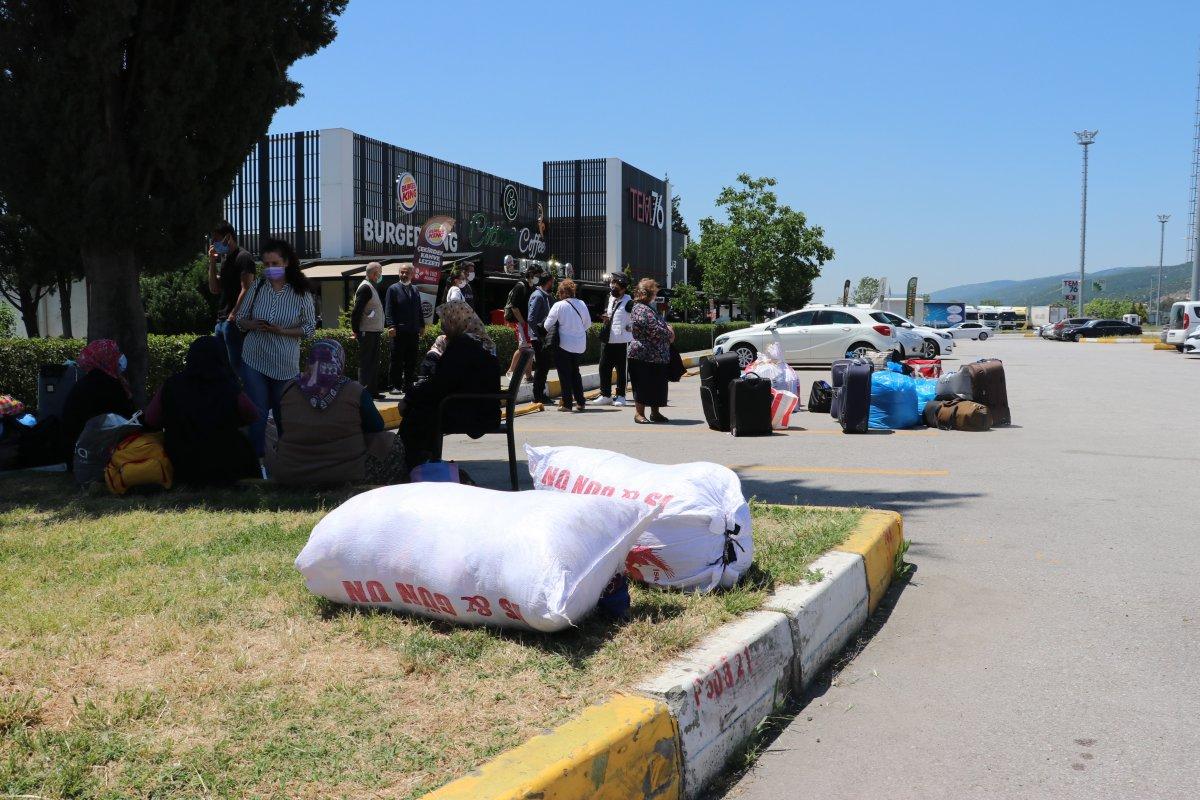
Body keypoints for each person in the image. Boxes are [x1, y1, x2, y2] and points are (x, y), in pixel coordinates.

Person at [264, 339, 405, 485]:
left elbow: (282, 430)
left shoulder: (289, 389)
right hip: (345, 475)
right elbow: (377, 426)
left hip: (292, 474)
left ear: (310, 362)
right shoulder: (355, 391)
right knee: (392, 441)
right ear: (339, 361)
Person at [236, 238, 317, 461]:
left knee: (284, 415)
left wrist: (281, 331)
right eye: (266, 264)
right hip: (255, 358)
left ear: (287, 262)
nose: (270, 269)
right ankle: (256, 462)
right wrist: (255, 324)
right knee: (259, 412)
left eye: (275, 263)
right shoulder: (257, 286)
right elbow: (240, 320)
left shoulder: (301, 292)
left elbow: (309, 328)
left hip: (285, 363)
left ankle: (288, 462)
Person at [398, 301, 501, 470]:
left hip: (473, 414)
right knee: (422, 410)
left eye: (445, 320)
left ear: (457, 321)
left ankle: (412, 468)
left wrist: (409, 399)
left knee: (416, 416)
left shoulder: (463, 345)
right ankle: (425, 465)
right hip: (481, 409)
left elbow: (440, 384)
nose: (442, 326)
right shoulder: (479, 342)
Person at [143, 336, 259, 485]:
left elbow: (151, 419)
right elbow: (252, 414)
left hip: (179, 465)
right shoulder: (229, 387)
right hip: (226, 466)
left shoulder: (171, 386)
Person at [60, 339, 136, 464]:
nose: (119, 357)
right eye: (116, 353)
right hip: (91, 454)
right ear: (107, 358)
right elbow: (125, 418)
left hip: (76, 451)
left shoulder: (89, 381)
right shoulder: (108, 385)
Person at [207, 220, 257, 377]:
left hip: (234, 322)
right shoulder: (225, 260)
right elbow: (214, 288)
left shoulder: (244, 257)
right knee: (223, 368)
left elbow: (247, 288)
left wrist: (233, 315)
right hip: (221, 322)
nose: (213, 243)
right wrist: (212, 262)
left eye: (216, 239)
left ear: (227, 237)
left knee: (237, 367)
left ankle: (246, 399)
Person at [628, 278, 674, 424]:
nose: (655, 295)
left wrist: (667, 330)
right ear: (649, 293)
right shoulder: (640, 308)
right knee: (642, 385)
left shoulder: (649, 308)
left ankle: (655, 413)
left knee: (657, 385)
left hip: (656, 356)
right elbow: (653, 329)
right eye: (653, 292)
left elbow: (658, 326)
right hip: (643, 354)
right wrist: (669, 332)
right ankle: (639, 414)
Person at [543, 279, 590, 413]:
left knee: (564, 374)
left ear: (562, 292)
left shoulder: (559, 305)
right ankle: (580, 402)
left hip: (563, 344)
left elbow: (547, 325)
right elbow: (587, 324)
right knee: (575, 372)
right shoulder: (581, 303)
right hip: (579, 344)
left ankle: (567, 404)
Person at [385, 263, 425, 395]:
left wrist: (422, 325)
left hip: (413, 331)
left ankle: (408, 385)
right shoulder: (393, 289)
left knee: (411, 360)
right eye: (402, 272)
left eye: (406, 272)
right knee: (396, 360)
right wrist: (391, 325)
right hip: (398, 331)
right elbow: (389, 309)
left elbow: (419, 309)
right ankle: (395, 386)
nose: (403, 275)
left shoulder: (415, 289)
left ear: (412, 274)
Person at [595, 273, 633, 407]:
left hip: (622, 341)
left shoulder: (629, 302)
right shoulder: (610, 298)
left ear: (623, 288)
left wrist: (630, 327)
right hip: (608, 339)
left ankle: (621, 395)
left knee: (622, 370)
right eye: (612, 285)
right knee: (604, 367)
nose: (613, 288)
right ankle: (605, 394)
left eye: (616, 286)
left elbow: (636, 319)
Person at [351, 262, 385, 399]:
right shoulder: (365, 288)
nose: (380, 276)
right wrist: (356, 330)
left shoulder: (371, 286)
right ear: (373, 273)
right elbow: (356, 311)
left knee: (373, 362)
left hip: (373, 331)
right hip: (367, 331)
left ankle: (372, 392)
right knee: (366, 363)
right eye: (379, 273)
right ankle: (363, 394)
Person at [503, 261, 539, 380]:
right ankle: (510, 371)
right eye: (537, 275)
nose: (539, 278)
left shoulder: (532, 287)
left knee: (528, 348)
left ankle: (528, 375)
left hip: (527, 322)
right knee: (524, 348)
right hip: (519, 322)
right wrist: (522, 323)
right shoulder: (520, 286)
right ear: (532, 274)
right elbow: (514, 307)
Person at [527, 272, 555, 405]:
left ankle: (540, 393)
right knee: (541, 367)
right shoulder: (538, 296)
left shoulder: (547, 296)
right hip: (539, 339)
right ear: (548, 282)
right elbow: (531, 319)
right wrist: (540, 335)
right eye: (552, 282)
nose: (553, 284)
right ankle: (538, 395)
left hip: (544, 338)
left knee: (544, 367)